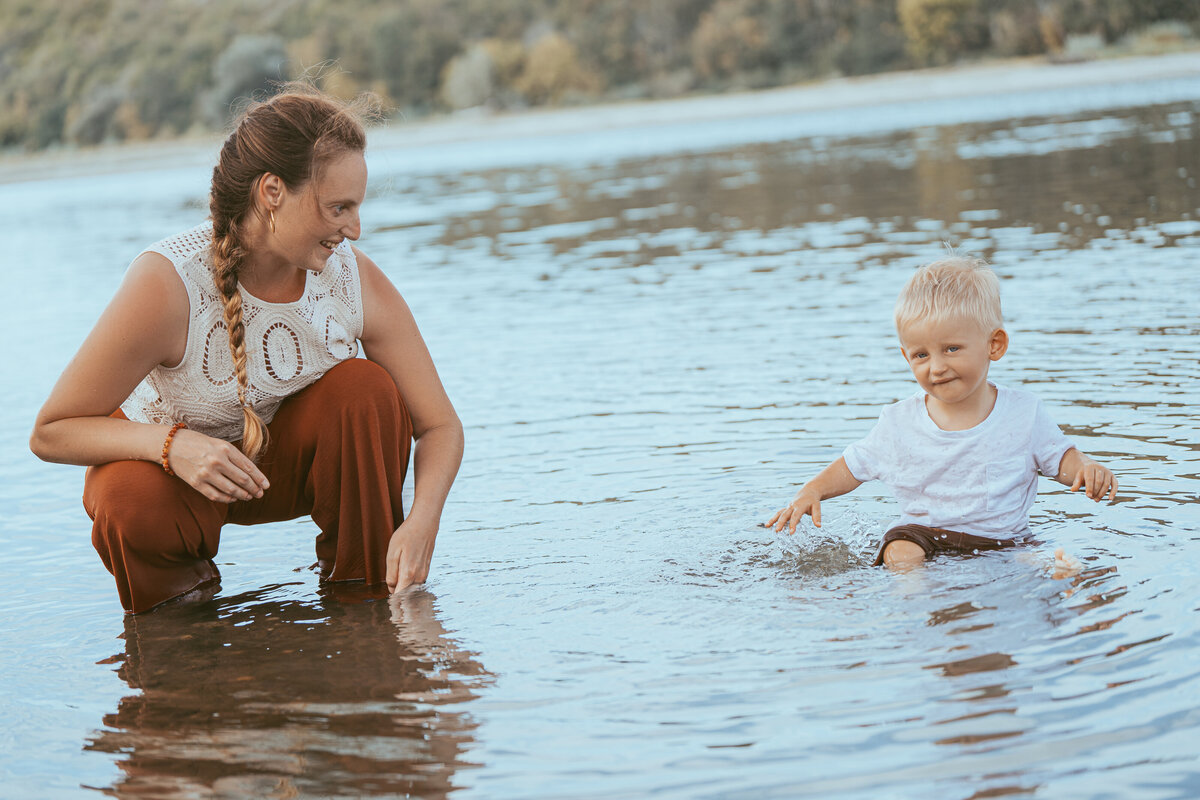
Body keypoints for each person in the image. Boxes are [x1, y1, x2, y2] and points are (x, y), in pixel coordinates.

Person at [29, 85, 464, 613]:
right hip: (179, 486)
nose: (354, 229)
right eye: (338, 208)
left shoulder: (350, 277)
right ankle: (182, 625)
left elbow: (440, 425)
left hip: (285, 469)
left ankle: (367, 603)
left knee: (365, 389)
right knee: (123, 495)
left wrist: (422, 522)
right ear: (273, 191)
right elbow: (51, 432)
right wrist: (172, 446)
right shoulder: (168, 282)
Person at [766, 256, 1117, 568]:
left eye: (951, 349)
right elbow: (853, 465)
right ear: (906, 357)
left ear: (994, 345)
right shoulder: (899, 422)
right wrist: (811, 491)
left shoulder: (1023, 414)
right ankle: (918, 606)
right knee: (899, 549)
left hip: (1003, 541)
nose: (936, 367)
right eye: (921, 355)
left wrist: (1086, 469)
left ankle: (1053, 577)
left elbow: (1062, 460)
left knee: (1038, 561)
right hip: (924, 535)